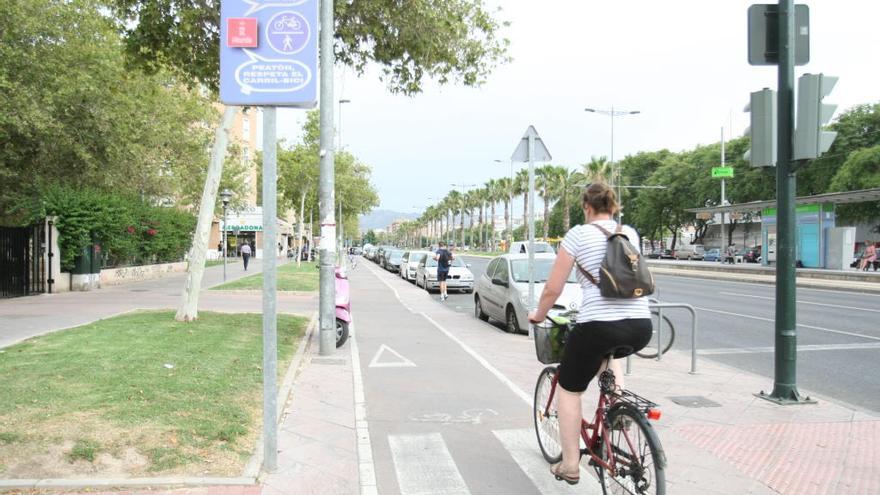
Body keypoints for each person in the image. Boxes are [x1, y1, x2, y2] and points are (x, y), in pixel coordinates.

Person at [527, 182, 652, 485]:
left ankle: (570, 464)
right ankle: (618, 409)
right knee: (612, 355)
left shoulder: (577, 235)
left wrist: (537, 315)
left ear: (586, 207)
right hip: (640, 325)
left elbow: (553, 288)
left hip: (598, 325)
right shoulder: (629, 233)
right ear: (613, 207)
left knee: (570, 389)